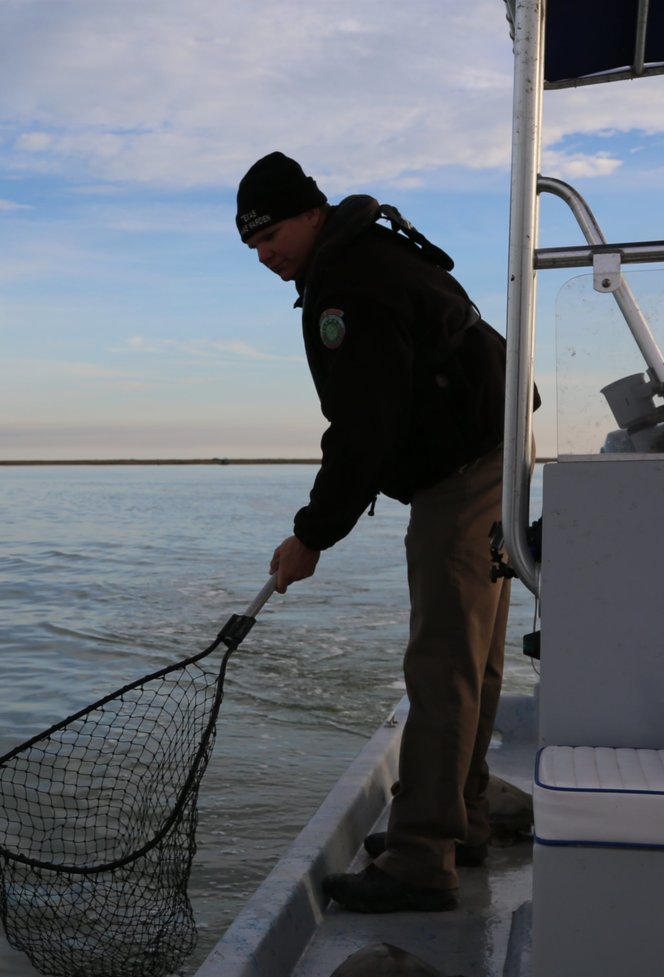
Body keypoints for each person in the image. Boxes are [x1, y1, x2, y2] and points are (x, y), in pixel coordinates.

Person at [235, 151, 512, 912]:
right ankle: (464, 821)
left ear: (311, 212)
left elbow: (365, 427)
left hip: (463, 466)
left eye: (271, 235)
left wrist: (312, 536)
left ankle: (423, 858)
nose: (264, 255)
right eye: (252, 245)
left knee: (443, 661)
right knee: (474, 656)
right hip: (494, 448)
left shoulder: (350, 283)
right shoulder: (364, 254)